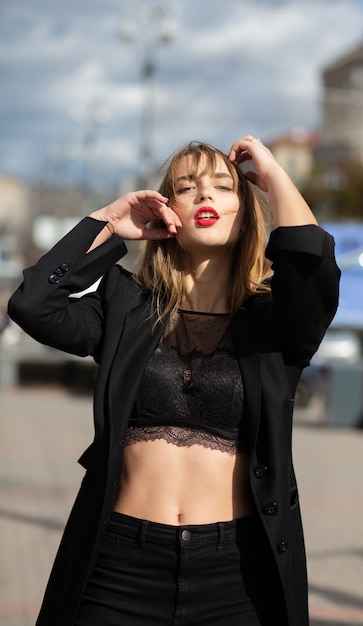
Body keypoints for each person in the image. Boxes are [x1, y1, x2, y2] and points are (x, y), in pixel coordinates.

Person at [8, 135, 340, 626]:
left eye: (223, 187)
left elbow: (312, 267)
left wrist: (272, 176)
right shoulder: (125, 304)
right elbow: (32, 304)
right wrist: (107, 222)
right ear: (169, 212)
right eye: (187, 187)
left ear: (246, 211)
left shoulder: (276, 322)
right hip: (118, 564)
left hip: (236, 573)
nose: (205, 195)